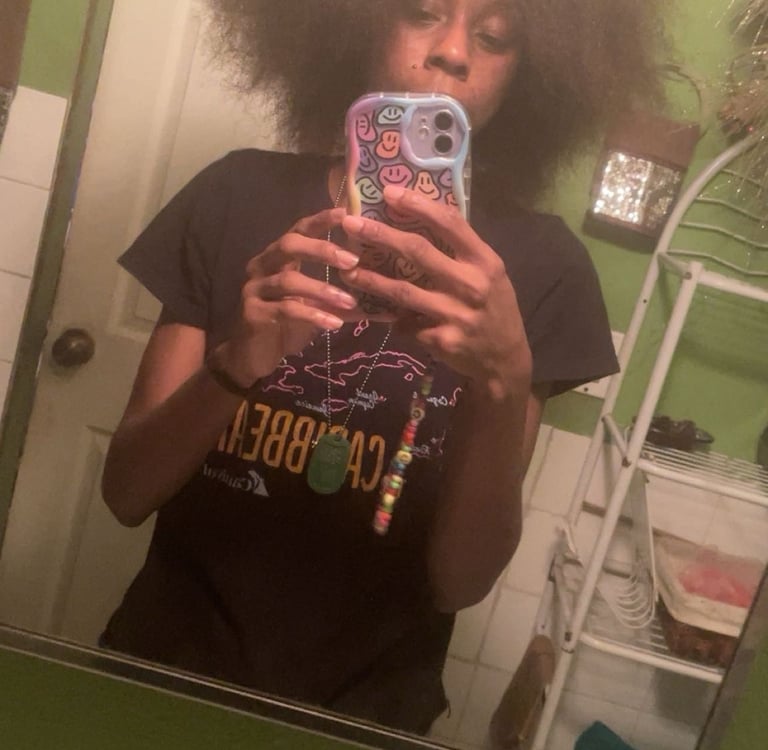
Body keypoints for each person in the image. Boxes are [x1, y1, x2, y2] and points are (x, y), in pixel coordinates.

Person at [100, 0, 665, 734]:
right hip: (162, 680)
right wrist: (237, 362)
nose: (453, 51)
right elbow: (126, 493)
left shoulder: (543, 269)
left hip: (367, 716)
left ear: (532, 73)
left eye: (495, 37)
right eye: (422, 11)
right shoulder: (235, 194)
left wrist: (504, 382)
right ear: (356, 22)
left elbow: (461, 581)